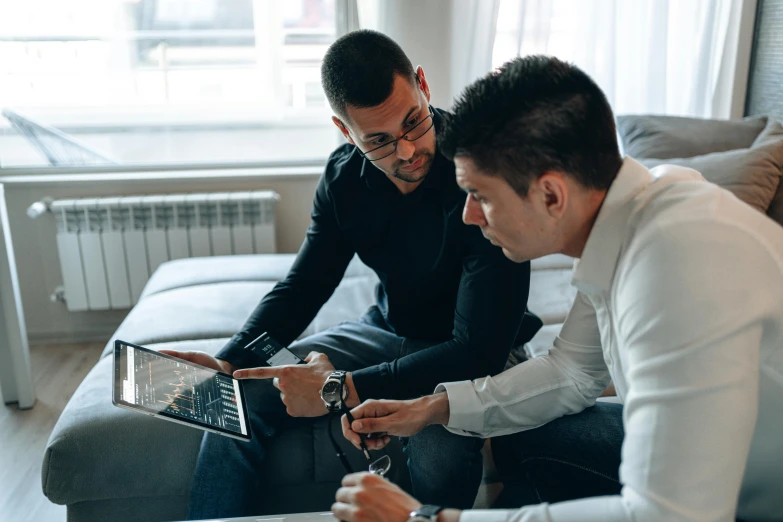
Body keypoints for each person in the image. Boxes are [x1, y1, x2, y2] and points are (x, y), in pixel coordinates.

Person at [336, 55, 783, 522]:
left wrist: (427, 518)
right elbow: (572, 372)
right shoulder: (634, 215)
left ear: (551, 194)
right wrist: (432, 408)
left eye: (481, 195)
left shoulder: (674, 266)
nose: (468, 215)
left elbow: (670, 515)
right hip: (725, 464)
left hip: (748, 500)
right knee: (523, 440)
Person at [160, 30, 541, 519]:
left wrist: (339, 386)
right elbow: (305, 286)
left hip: (476, 347)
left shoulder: (483, 170)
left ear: (423, 85)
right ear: (346, 131)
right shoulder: (344, 179)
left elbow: (477, 349)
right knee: (239, 399)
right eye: (379, 141)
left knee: (436, 454)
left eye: (413, 123)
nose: (406, 152)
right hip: (388, 330)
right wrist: (229, 361)